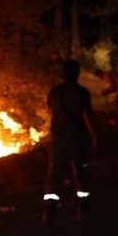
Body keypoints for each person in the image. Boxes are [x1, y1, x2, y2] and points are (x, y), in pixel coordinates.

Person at [43, 59, 98, 224]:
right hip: (77, 139)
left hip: (58, 139)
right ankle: (83, 208)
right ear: (77, 74)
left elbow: (50, 110)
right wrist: (94, 137)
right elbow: (86, 116)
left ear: (63, 74)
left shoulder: (55, 91)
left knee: (54, 173)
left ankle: (49, 211)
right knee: (81, 172)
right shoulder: (82, 92)